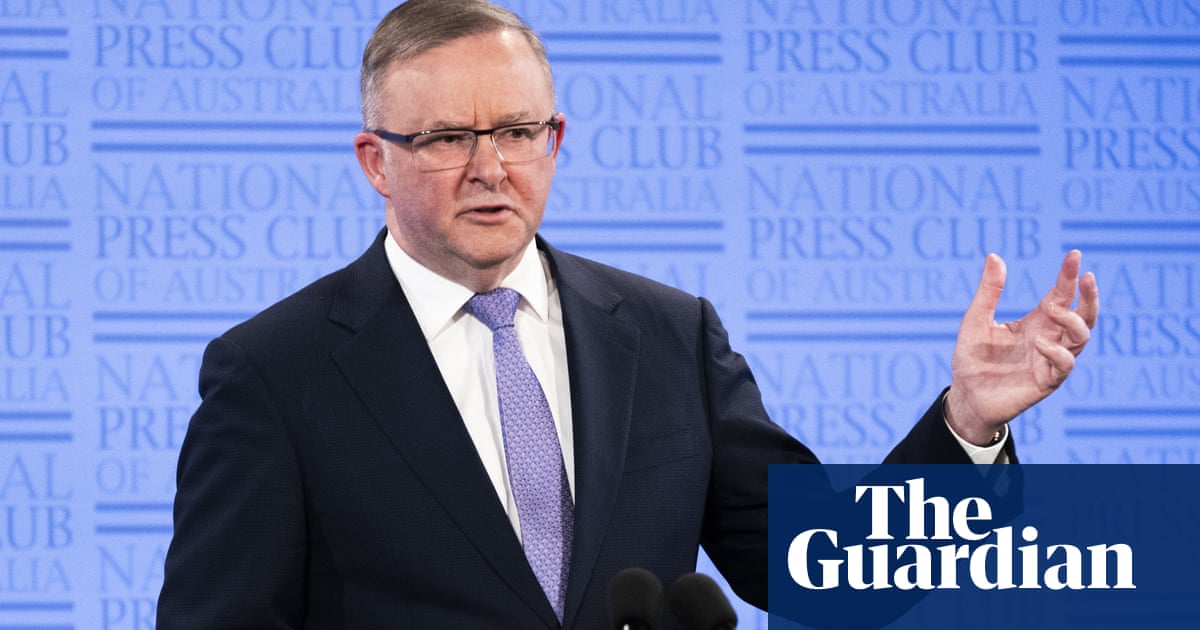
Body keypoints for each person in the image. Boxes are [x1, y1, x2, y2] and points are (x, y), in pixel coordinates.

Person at [155, 1, 1100, 628]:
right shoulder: (274, 372)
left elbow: (824, 575)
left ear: (555, 138)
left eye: (517, 130)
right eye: (446, 138)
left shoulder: (668, 335)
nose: (490, 168)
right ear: (376, 160)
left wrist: (968, 425)